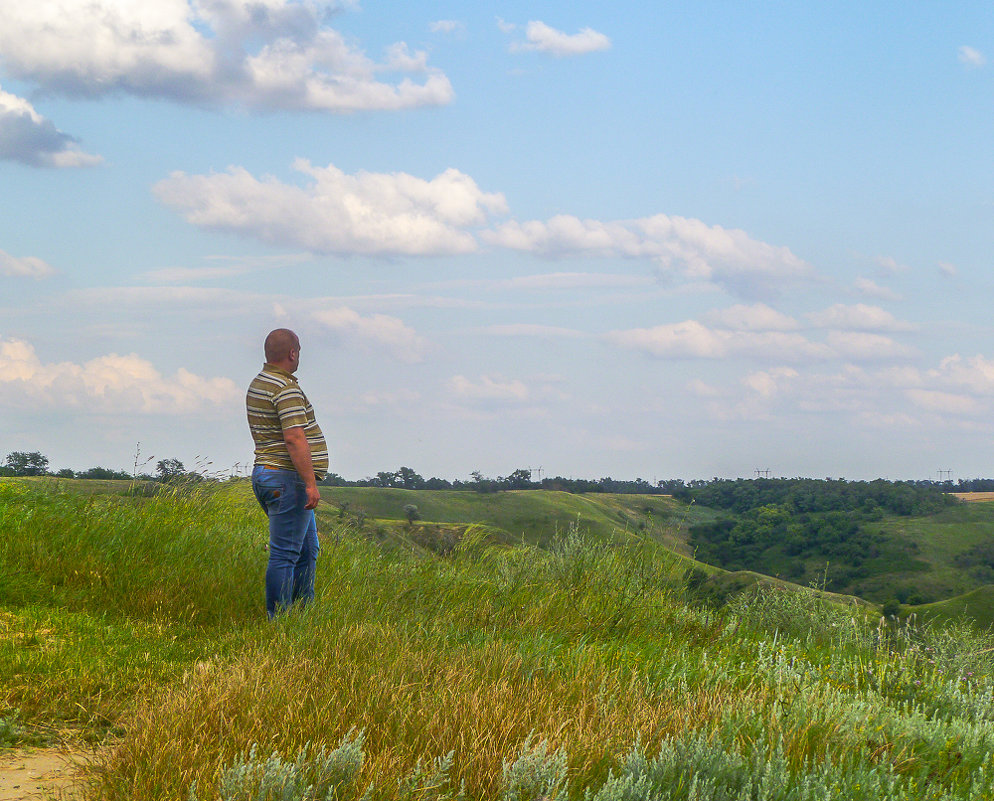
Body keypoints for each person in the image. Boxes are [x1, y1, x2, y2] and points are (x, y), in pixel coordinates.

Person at [246, 328, 329, 618]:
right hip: (287, 479)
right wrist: (310, 484)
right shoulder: (285, 388)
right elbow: (294, 438)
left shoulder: (259, 383)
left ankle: (302, 616)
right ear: (292, 353)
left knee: (307, 551)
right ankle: (279, 622)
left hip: (268, 474)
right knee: (285, 554)